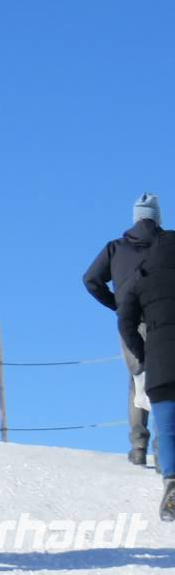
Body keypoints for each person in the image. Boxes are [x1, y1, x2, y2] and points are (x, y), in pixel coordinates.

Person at [84, 194, 164, 465]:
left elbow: (91, 279)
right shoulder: (168, 244)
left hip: (129, 323)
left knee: (137, 382)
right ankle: (163, 446)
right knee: (167, 383)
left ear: (135, 217)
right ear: (157, 217)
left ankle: (138, 447)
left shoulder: (115, 248)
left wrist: (117, 305)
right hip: (164, 321)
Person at [116, 227, 175, 522]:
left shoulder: (142, 284)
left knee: (167, 429)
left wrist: (143, 354)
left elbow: (125, 322)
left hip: (160, 367)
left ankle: (171, 481)